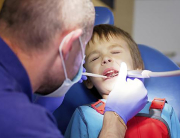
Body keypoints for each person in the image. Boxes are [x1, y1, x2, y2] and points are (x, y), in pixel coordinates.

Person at [0, 0, 147, 137]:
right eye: (84, 54)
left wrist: (44, 106)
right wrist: (115, 119)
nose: (106, 59)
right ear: (68, 46)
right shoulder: (27, 125)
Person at [65, 24, 180, 138]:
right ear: (88, 80)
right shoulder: (84, 115)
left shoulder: (165, 111)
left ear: (138, 67)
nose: (105, 59)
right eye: (94, 58)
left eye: (115, 52)